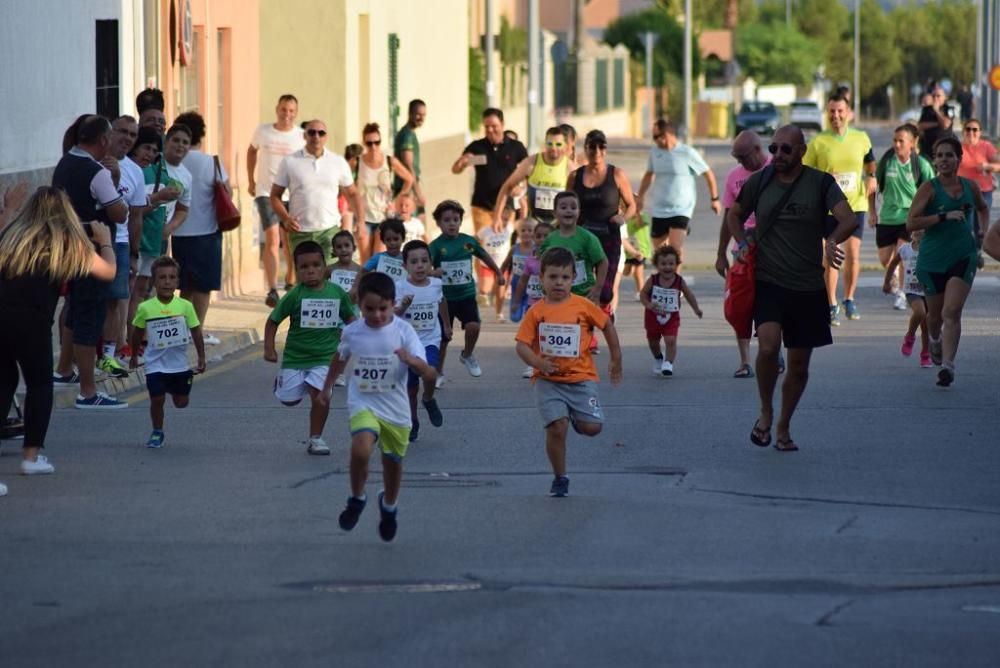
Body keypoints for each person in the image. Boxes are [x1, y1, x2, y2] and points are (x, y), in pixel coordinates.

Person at [725, 125, 858, 452]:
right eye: (774, 149)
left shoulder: (819, 183)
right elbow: (735, 214)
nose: (778, 155)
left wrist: (831, 241)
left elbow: (848, 219)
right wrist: (741, 243)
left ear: (801, 150)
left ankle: (783, 423)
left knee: (799, 365)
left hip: (808, 285)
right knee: (768, 347)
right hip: (769, 281)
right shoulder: (761, 181)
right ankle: (766, 411)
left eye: (786, 149)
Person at [0, 187, 116, 486]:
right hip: (33, 320)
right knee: (39, 384)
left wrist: (10, 208)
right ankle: (30, 458)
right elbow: (108, 272)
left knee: (4, 381)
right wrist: (105, 243)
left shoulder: (14, 236)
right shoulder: (68, 243)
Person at [319, 272, 437, 542]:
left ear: (393, 304)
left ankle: (389, 506)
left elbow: (429, 373)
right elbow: (339, 356)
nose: (377, 315)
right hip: (363, 402)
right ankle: (357, 497)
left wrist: (412, 361)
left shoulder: (403, 331)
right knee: (360, 449)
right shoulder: (352, 331)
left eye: (383, 309)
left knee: (392, 464)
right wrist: (326, 389)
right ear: (359, 304)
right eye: (369, 309)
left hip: (396, 409)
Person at [514, 247, 623, 498]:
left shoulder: (583, 306)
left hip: (581, 379)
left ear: (573, 278)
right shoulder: (537, 311)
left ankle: (576, 416)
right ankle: (560, 477)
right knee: (556, 427)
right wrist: (537, 363)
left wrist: (617, 358)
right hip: (548, 381)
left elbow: (606, 325)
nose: (558, 283)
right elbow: (521, 344)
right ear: (541, 278)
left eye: (564, 277)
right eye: (552, 277)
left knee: (593, 427)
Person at [51, 115, 129, 409]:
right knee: (90, 316)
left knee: (74, 311)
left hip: (68, 247)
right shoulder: (96, 172)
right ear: (104, 140)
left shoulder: (64, 163)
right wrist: (117, 183)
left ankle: (66, 371)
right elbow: (119, 213)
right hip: (94, 249)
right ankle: (88, 391)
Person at [906, 136, 990, 387]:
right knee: (935, 317)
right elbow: (911, 222)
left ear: (958, 159)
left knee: (951, 312)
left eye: (949, 155)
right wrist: (942, 216)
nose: (944, 160)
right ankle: (934, 339)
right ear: (934, 160)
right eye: (939, 155)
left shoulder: (970, 186)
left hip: (963, 254)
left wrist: (981, 234)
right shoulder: (929, 189)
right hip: (932, 261)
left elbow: (983, 209)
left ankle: (948, 366)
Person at [263, 240, 356, 455]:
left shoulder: (336, 293)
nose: (311, 271)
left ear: (325, 267)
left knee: (322, 396)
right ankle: (284, 384)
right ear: (297, 271)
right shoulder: (295, 295)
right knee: (289, 400)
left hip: (325, 358)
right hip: (296, 358)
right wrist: (269, 348)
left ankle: (316, 438)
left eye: (316, 265)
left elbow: (351, 318)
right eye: (304, 267)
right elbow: (273, 320)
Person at [803, 93, 877, 325]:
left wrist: (872, 177)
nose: (836, 116)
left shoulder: (861, 137)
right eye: (832, 111)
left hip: (855, 203)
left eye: (840, 111)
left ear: (849, 113)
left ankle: (849, 298)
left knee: (853, 255)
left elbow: (870, 160)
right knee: (831, 256)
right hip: (828, 208)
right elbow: (805, 172)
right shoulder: (818, 142)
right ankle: (831, 303)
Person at [129, 256, 206, 448]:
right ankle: (157, 431)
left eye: (172, 278)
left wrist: (201, 357)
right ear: (154, 281)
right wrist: (133, 355)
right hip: (154, 364)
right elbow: (137, 332)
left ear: (178, 282)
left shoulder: (185, 306)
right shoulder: (146, 308)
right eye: (162, 278)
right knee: (157, 398)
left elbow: (196, 331)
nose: (167, 282)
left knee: (181, 403)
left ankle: (174, 388)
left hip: (179, 365)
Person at [271, 119, 366, 270]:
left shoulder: (337, 162)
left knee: (329, 277)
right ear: (304, 136)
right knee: (305, 281)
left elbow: (353, 193)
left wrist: (361, 221)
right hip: (300, 231)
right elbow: (275, 195)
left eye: (321, 133)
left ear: (326, 137)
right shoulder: (290, 162)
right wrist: (285, 219)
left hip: (329, 231)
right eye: (312, 132)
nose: (316, 136)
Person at [170, 111, 230, 344]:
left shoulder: (174, 162)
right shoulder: (210, 162)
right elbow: (228, 193)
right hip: (207, 232)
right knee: (203, 288)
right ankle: (197, 331)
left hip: (179, 231)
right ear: (201, 134)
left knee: (184, 286)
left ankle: (182, 329)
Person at [428, 200, 504, 380]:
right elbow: (424, 268)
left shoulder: (467, 242)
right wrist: (433, 272)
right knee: (443, 338)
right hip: (444, 300)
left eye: (455, 219)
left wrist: (498, 272)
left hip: (466, 295)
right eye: (447, 220)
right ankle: (438, 372)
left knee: (473, 326)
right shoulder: (436, 246)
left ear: (460, 221)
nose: (452, 223)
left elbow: (483, 255)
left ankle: (467, 354)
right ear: (438, 223)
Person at [716, 130, 770, 378]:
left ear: (758, 150)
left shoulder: (776, 169)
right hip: (743, 250)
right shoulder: (734, 177)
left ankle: (771, 351)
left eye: (742, 157)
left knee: (768, 303)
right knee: (740, 306)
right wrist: (721, 254)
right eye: (736, 158)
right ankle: (745, 361)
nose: (739, 163)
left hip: (771, 248)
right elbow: (729, 217)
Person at [124, 126, 181, 358]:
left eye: (154, 151)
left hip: (153, 243)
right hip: (135, 242)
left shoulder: (159, 172)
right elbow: (134, 211)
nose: (149, 154)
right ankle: (128, 342)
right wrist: (159, 198)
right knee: (130, 294)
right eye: (146, 148)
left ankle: (141, 340)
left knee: (144, 293)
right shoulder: (132, 172)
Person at [98, 115, 148, 379]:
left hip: (118, 242)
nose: (127, 138)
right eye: (123, 132)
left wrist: (133, 253)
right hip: (90, 240)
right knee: (78, 301)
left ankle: (108, 356)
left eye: (132, 134)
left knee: (115, 301)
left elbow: (136, 215)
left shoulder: (135, 170)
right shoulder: (94, 160)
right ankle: (70, 361)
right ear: (110, 132)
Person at [247, 94, 306, 307]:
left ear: (296, 113)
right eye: (283, 109)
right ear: (277, 109)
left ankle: (290, 280)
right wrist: (251, 180)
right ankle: (272, 289)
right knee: (272, 239)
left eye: (291, 111)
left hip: (293, 194)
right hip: (266, 192)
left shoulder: (301, 136)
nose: (287, 114)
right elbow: (251, 151)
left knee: (290, 240)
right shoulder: (263, 131)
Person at [567, 130, 635, 312]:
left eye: (601, 146)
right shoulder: (575, 176)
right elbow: (566, 203)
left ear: (605, 150)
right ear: (586, 149)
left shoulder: (617, 174)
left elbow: (632, 205)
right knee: (582, 286)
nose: (596, 151)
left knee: (605, 293)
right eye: (592, 146)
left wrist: (623, 218)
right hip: (583, 238)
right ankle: (585, 325)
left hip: (609, 238)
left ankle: (605, 317)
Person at [869, 124, 934, 311]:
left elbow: (932, 189)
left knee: (903, 255)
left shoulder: (920, 164)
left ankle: (902, 294)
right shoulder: (887, 161)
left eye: (901, 141)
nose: (897, 145)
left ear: (912, 143)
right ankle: (896, 284)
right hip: (887, 217)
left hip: (909, 218)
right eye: (894, 141)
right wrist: (872, 212)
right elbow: (873, 187)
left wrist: (926, 218)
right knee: (884, 260)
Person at [636, 119, 721, 259]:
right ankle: (664, 280)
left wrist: (715, 199)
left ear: (669, 134)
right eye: (653, 137)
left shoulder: (687, 153)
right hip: (659, 209)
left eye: (657, 136)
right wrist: (640, 197)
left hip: (681, 209)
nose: (655, 140)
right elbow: (649, 174)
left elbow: (708, 173)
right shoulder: (654, 152)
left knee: (674, 250)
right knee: (659, 254)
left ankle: (676, 280)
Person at [395, 240, 449, 442]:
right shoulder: (400, 287)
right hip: (407, 344)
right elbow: (394, 315)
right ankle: (413, 420)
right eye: (414, 262)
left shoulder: (436, 284)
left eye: (424, 261)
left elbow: (442, 302)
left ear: (430, 263)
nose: (419, 265)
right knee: (410, 388)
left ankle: (428, 398)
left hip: (429, 340)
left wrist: (446, 325)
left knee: (431, 372)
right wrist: (403, 307)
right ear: (405, 266)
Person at [451, 107, 527, 235]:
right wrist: (462, 162)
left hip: (506, 207)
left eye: (494, 126)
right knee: (484, 244)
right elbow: (455, 170)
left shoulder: (516, 147)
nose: (490, 130)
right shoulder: (476, 146)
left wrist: (521, 187)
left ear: (502, 124)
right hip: (482, 205)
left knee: (502, 246)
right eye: (487, 127)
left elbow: (528, 172)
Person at [639, 245, 702, 377]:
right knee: (653, 341)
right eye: (663, 264)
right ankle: (658, 358)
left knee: (670, 340)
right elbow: (643, 293)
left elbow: (689, 295)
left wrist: (696, 309)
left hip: (671, 317)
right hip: (652, 316)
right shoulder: (653, 280)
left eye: (671, 264)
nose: (667, 267)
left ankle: (668, 363)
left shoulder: (679, 281)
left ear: (676, 264)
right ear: (656, 265)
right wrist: (648, 304)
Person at [538, 191, 608, 305]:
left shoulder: (587, 238)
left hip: (583, 295)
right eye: (563, 207)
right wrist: (544, 285)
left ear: (579, 212)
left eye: (573, 207)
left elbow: (603, 262)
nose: (568, 210)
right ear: (554, 213)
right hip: (556, 296)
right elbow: (541, 263)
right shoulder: (549, 239)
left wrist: (597, 289)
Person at [492, 126, 570, 227]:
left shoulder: (570, 168)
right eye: (550, 144)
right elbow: (507, 186)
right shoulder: (531, 163)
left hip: (559, 226)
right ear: (544, 144)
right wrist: (497, 216)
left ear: (565, 146)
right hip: (534, 227)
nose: (553, 148)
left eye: (558, 144)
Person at [358, 122, 413, 260]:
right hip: (363, 218)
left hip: (384, 218)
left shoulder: (389, 161)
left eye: (377, 142)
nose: (374, 147)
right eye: (369, 143)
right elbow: (345, 186)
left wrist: (396, 201)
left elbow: (409, 179)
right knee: (366, 263)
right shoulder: (357, 162)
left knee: (379, 260)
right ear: (364, 142)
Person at [882, 229, 932, 368]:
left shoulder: (931, 248)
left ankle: (925, 354)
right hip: (912, 291)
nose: (918, 232)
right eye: (916, 229)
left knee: (926, 326)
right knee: (920, 312)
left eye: (922, 229)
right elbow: (893, 264)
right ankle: (910, 336)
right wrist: (887, 283)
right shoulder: (905, 250)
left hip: (929, 291)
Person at [957, 118, 999, 265]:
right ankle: (968, 255)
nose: (971, 133)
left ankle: (977, 252)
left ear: (980, 132)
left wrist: (988, 166)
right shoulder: (959, 148)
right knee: (966, 225)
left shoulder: (986, 146)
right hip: (963, 192)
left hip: (984, 192)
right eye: (968, 129)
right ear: (963, 131)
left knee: (980, 228)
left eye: (975, 130)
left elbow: (998, 163)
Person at [393, 99, 427, 212]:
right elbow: (408, 165)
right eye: (418, 114)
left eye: (423, 115)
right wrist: (418, 193)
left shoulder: (409, 133)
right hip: (406, 191)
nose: (421, 118)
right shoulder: (407, 135)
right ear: (410, 114)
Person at [358, 218, 407, 284]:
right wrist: (356, 287)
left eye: (396, 239)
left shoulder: (407, 259)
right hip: (381, 293)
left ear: (403, 239)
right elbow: (362, 271)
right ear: (383, 241)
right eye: (388, 240)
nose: (392, 243)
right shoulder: (378, 258)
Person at [918, 86, 956, 159]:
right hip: (928, 148)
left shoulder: (949, 109)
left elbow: (945, 124)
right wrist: (937, 124)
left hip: (944, 148)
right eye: (933, 96)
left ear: (945, 97)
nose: (935, 98)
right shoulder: (927, 109)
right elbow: (920, 125)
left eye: (938, 96)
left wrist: (936, 110)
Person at [329, 230, 363, 294]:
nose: (343, 249)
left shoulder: (360, 270)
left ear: (354, 248)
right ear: (334, 251)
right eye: (339, 247)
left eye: (347, 245)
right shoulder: (329, 269)